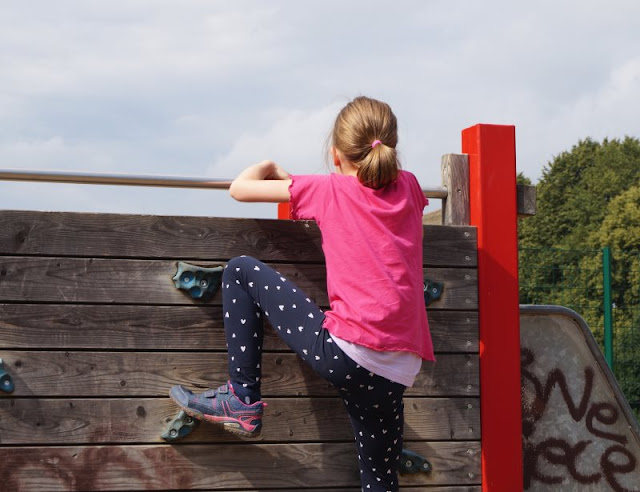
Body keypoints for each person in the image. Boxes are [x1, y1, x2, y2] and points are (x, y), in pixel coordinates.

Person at [170, 96, 434, 492]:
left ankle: (242, 399)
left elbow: (240, 189)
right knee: (380, 479)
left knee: (241, 270)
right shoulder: (410, 187)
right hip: (400, 369)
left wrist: (272, 168)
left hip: (349, 353)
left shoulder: (328, 190)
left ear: (335, 155)